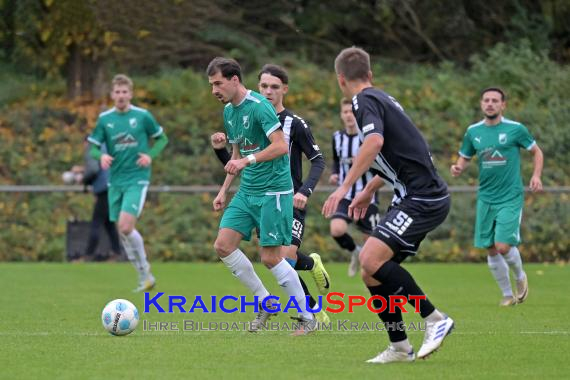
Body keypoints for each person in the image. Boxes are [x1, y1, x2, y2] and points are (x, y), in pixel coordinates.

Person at [322, 47, 454, 363]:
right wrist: (367, 189)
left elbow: (375, 143)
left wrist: (343, 188)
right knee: (372, 273)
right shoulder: (384, 98)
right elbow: (398, 153)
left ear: (341, 79)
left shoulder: (363, 100)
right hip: (417, 196)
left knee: (369, 258)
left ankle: (435, 319)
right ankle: (400, 347)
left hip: (422, 198)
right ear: (370, 73)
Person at [210, 63, 331, 324]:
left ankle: (308, 316)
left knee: (272, 258)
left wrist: (247, 161)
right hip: (247, 191)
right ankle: (265, 301)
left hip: (274, 191)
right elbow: (235, 156)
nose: (213, 90)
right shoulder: (229, 112)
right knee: (223, 245)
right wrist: (223, 191)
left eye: (217, 83)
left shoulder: (259, 106)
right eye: (211, 85)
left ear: (234, 80)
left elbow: (280, 147)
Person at [450, 87, 543, 306]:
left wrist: (536, 176)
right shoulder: (473, 131)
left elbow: (537, 151)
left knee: (503, 245)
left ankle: (520, 277)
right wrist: (458, 167)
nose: (490, 104)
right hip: (486, 197)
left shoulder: (515, 129)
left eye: (495, 101)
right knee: (489, 247)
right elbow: (465, 155)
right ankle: (507, 295)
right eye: (486, 100)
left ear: (503, 105)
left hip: (510, 196)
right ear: (481, 104)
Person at [88, 74, 168, 292]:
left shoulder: (142, 116)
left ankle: (145, 270)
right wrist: (101, 156)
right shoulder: (105, 119)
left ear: (130, 94)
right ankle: (145, 277)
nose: (121, 96)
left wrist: (150, 155)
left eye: (125, 92)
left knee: (125, 226)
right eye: (117, 92)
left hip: (137, 178)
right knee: (122, 230)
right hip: (115, 180)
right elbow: (94, 146)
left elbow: (162, 139)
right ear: (112, 94)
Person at [329, 97, 381, 277]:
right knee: (337, 229)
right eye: (345, 112)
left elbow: (380, 164)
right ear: (341, 115)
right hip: (346, 195)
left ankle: (375, 283)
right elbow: (337, 160)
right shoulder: (337, 137)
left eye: (352, 111)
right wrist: (335, 173)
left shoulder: (368, 138)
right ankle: (354, 250)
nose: (349, 115)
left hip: (367, 196)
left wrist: (362, 162)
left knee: (372, 251)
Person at [81, 137, 122, 261]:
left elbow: (93, 169)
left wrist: (84, 180)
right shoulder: (106, 146)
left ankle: (88, 255)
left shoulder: (92, 148)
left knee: (96, 223)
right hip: (114, 187)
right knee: (109, 224)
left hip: (104, 190)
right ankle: (117, 253)